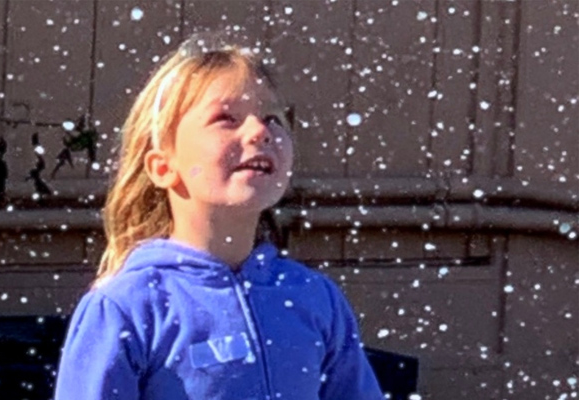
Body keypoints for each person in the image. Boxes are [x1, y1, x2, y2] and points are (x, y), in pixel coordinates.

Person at [53, 33, 384, 400]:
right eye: (226, 118)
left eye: (272, 118)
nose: (260, 131)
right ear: (163, 167)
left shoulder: (313, 298)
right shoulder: (128, 307)